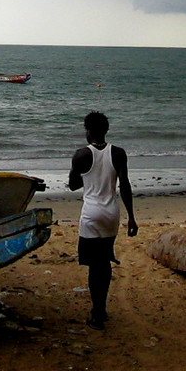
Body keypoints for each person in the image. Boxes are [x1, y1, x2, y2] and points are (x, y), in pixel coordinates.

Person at [67, 111, 138, 330]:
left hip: (91, 214)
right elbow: (124, 185)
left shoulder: (81, 155)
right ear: (106, 130)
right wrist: (132, 218)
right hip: (111, 213)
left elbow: (73, 185)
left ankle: (97, 313)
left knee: (93, 267)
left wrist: (86, 176)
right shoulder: (118, 153)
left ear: (87, 131)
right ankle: (102, 309)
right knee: (105, 262)